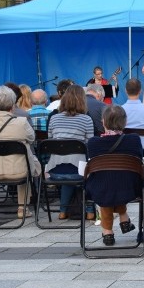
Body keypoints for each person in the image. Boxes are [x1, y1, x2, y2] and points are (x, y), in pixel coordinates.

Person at [85, 105, 143, 246]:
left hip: (103, 187)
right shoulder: (134, 140)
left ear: (103, 122)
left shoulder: (93, 143)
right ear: (125, 122)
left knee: (106, 181)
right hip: (129, 186)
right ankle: (123, 218)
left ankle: (108, 232)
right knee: (116, 178)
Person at [0, 85, 42, 219]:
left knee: (23, 159)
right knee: (26, 160)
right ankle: (22, 208)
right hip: (19, 170)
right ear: (13, 105)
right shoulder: (21, 122)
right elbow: (32, 138)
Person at [45, 84, 96, 220]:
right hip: (78, 172)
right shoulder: (86, 119)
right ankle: (90, 210)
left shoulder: (54, 118)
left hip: (55, 172)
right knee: (88, 172)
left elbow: (51, 142)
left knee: (69, 173)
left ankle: (63, 211)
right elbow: (89, 145)